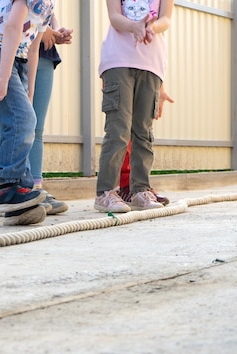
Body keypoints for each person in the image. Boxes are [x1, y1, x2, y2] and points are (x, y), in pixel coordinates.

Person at [0, 0, 55, 226]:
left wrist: (31, 90)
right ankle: (8, 189)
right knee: (19, 120)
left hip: (17, 56)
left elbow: (34, 48)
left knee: (26, 118)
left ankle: (20, 199)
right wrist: (4, 77)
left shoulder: (49, 5)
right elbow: (12, 27)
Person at [94, 0, 174, 213]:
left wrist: (151, 27)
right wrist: (134, 27)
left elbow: (166, 19)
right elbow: (114, 16)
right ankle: (106, 192)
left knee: (143, 131)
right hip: (119, 60)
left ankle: (140, 189)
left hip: (151, 63)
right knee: (118, 129)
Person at [0, 11, 73, 215]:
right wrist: (41, 30)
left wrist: (55, 32)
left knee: (36, 126)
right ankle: (8, 188)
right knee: (11, 122)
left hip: (42, 53)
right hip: (16, 50)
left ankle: (35, 189)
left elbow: (49, 13)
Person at [118, 84, 175, 205]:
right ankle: (127, 185)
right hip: (120, 70)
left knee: (142, 129)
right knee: (123, 126)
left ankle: (140, 187)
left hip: (147, 74)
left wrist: (160, 89)